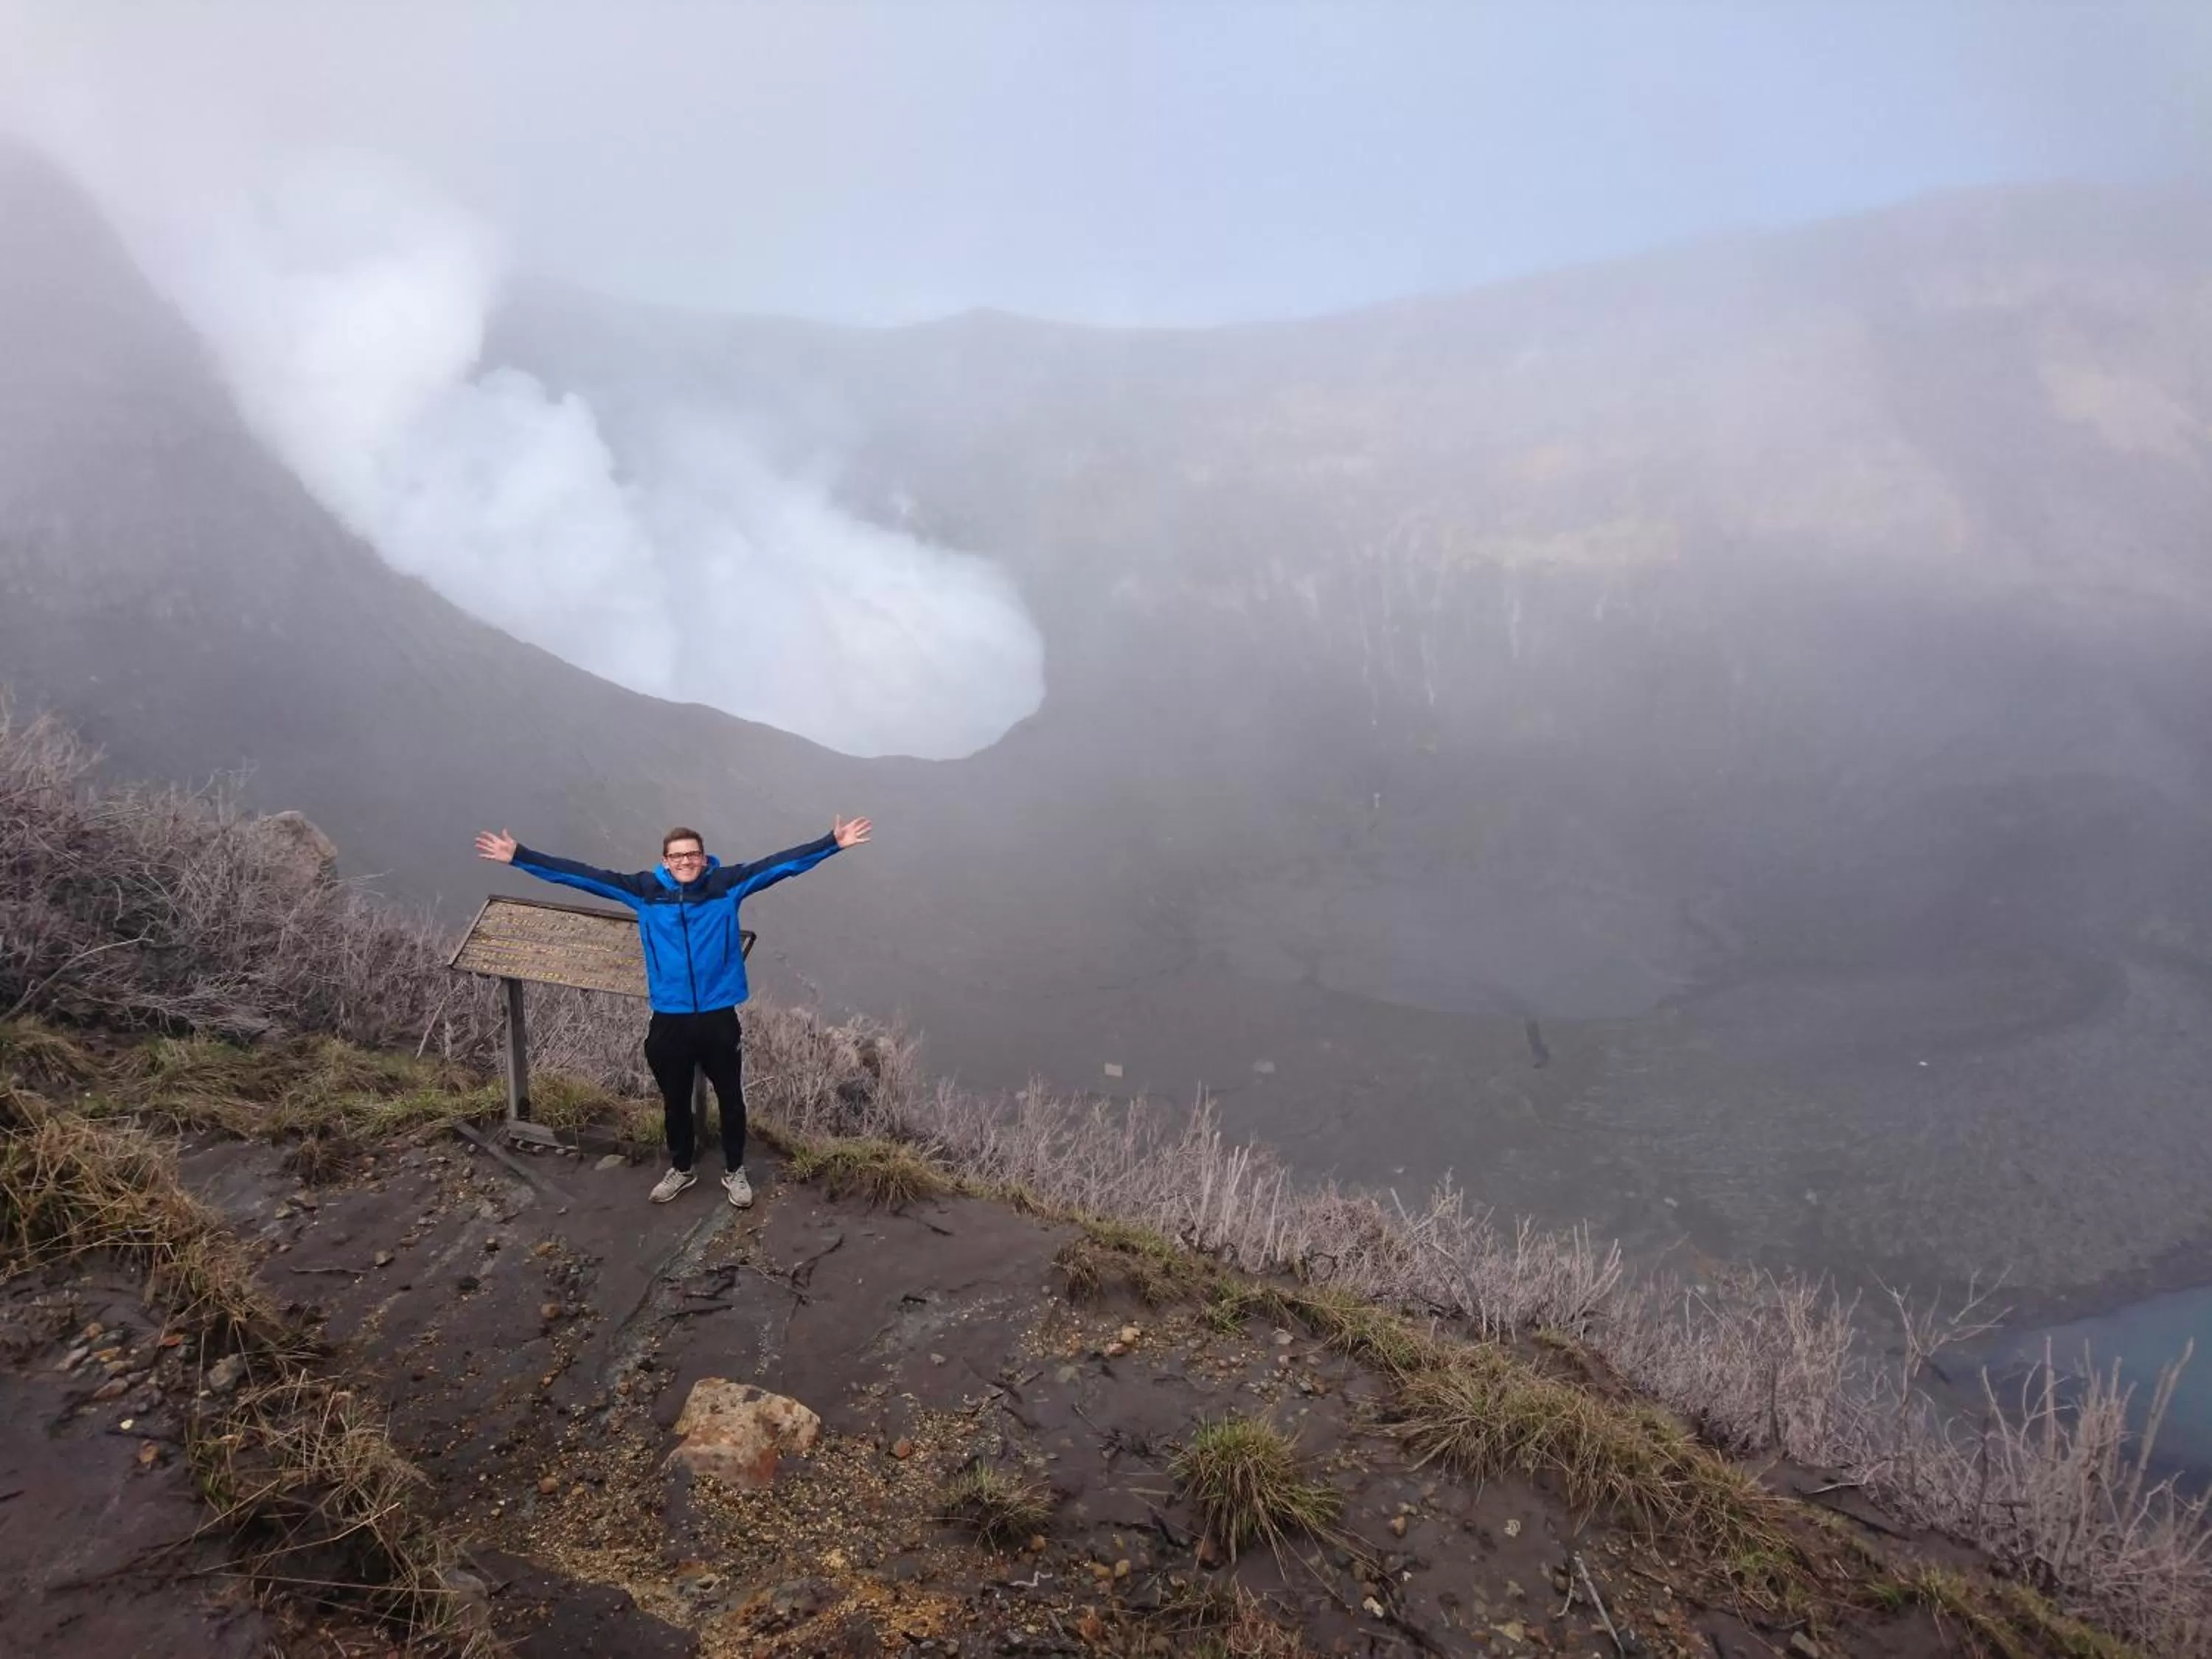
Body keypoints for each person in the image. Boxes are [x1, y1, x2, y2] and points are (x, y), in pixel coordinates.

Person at [473, 817, 872, 1207]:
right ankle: (681, 1167)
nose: (685, 862)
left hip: (719, 1014)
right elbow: (579, 875)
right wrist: (519, 855)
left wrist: (831, 843)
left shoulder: (727, 885)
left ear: (704, 857)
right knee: (674, 1100)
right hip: (670, 1016)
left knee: (731, 1098)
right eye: (676, 856)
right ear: (664, 861)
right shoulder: (644, 891)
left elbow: (781, 866)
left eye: (692, 855)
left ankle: (735, 1170)